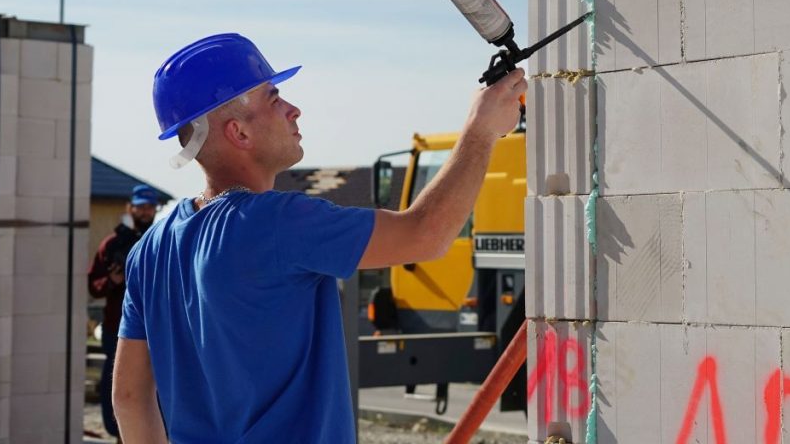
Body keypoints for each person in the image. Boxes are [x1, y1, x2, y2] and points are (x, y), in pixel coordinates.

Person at [112, 33, 526, 443]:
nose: (294, 110)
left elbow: (129, 396)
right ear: (238, 132)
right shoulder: (278, 222)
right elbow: (426, 235)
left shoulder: (150, 248)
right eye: (274, 99)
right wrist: (480, 131)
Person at [87, 184, 159, 442]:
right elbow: (93, 286)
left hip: (155, 328)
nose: (145, 212)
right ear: (130, 208)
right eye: (140, 206)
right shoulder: (112, 243)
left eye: (149, 207)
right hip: (116, 328)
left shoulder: (161, 238)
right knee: (119, 391)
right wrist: (113, 281)